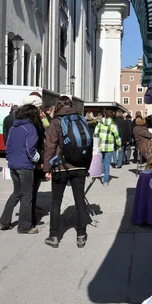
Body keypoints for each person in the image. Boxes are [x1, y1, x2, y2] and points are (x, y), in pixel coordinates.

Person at [43, 96, 90, 249]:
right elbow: (88, 144)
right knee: (79, 200)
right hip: (80, 167)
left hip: (60, 167)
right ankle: (81, 235)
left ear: (57, 106)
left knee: (56, 201)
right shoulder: (81, 120)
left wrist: (47, 169)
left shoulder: (55, 122)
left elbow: (50, 147)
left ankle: (54, 236)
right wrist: (86, 167)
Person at [0, 104, 41, 234]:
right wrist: (36, 158)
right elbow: (30, 148)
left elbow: (8, 146)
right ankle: (24, 226)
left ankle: (4, 221)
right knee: (27, 196)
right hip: (25, 166)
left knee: (16, 193)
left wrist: (10, 159)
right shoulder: (30, 127)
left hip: (13, 164)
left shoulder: (13, 127)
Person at [94, 108, 121, 186]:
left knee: (101, 162)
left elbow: (95, 134)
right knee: (107, 163)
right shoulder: (113, 125)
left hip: (100, 145)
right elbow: (117, 136)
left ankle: (102, 175)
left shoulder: (99, 123)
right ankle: (106, 180)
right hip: (109, 146)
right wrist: (119, 146)